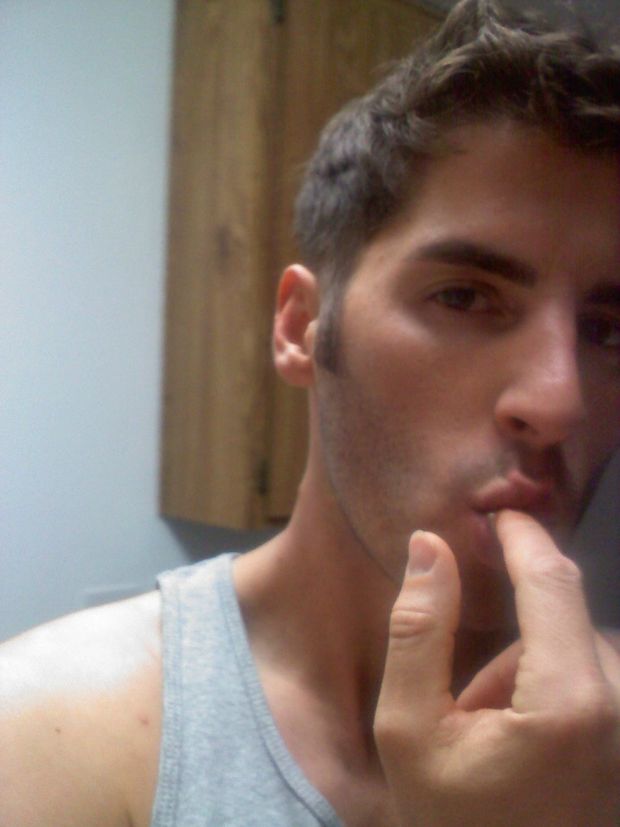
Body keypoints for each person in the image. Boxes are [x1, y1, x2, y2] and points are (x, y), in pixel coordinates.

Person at [2, 0, 620, 824]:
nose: (559, 402)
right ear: (301, 328)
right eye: (465, 296)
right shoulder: (45, 736)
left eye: (608, 330)